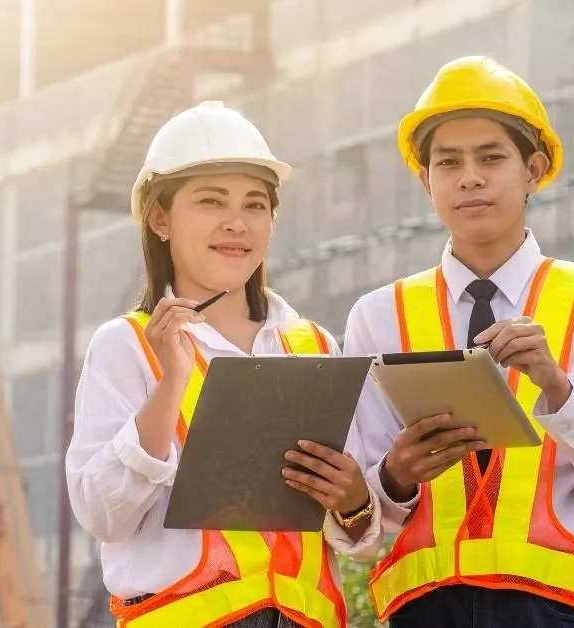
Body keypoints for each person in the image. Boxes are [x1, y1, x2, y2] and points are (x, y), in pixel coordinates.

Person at [343, 57, 574, 627]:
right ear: (427, 181)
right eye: (448, 163)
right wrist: (395, 475)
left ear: (534, 170)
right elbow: (360, 531)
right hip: (425, 611)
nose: (469, 177)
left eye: (491, 157)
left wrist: (560, 392)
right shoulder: (378, 318)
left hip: (560, 612)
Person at [65, 100, 384, 628]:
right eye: (212, 202)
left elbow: (362, 541)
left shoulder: (314, 346)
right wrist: (171, 386)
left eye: (256, 205)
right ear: (160, 218)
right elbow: (103, 514)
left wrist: (353, 499)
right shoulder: (125, 346)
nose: (237, 223)